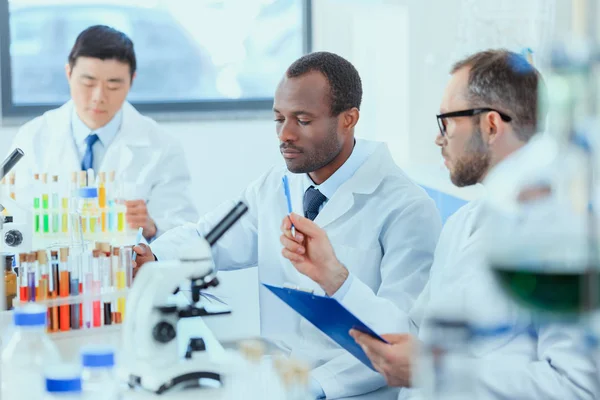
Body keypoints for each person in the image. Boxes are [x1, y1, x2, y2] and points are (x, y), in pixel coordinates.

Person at [281, 49, 597, 399]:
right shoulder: (463, 223)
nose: (438, 138)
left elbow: (576, 386)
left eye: (445, 122)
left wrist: (439, 371)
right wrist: (334, 276)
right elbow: (414, 334)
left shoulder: (562, 235)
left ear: (490, 125)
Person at [134, 51, 442, 399]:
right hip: (277, 378)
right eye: (278, 118)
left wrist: (314, 386)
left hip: (349, 391)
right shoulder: (278, 183)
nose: (285, 134)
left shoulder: (408, 209)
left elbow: (404, 340)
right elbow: (210, 236)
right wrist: (153, 258)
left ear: (348, 119)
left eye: (302, 120)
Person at [9, 25, 197, 241]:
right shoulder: (32, 138)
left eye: (113, 85)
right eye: (88, 82)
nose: (99, 96)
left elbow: (184, 233)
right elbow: (14, 219)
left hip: (126, 274)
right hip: (52, 271)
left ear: (131, 81)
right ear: (68, 73)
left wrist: (152, 226)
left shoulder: (162, 147)